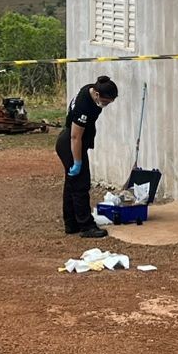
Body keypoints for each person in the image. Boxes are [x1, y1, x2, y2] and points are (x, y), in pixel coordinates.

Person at [57, 75, 119, 237]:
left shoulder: (92, 88)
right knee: (81, 185)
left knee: (71, 184)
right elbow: (75, 137)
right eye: (105, 102)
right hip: (70, 144)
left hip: (73, 142)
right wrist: (77, 161)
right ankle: (86, 226)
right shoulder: (83, 106)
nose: (106, 105)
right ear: (97, 95)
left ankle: (71, 224)